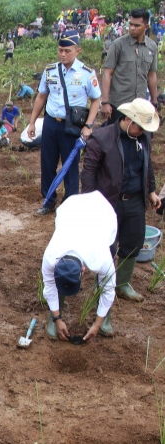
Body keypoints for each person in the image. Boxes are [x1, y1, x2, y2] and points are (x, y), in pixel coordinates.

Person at [82, 98, 162, 303]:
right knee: (107, 248)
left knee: (133, 243)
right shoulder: (101, 138)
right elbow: (89, 173)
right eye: (140, 127)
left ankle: (122, 283)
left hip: (135, 200)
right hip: (109, 202)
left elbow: (148, 164)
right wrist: (89, 202)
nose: (143, 131)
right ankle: (103, 287)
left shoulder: (143, 138)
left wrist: (151, 191)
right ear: (128, 119)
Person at [27, 30, 101, 216]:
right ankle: (48, 200)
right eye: (60, 50)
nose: (63, 54)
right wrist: (32, 122)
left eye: (67, 51)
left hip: (73, 125)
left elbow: (96, 100)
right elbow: (41, 96)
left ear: (77, 51)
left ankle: (70, 204)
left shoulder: (86, 73)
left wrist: (88, 125)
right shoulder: (50, 70)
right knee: (47, 163)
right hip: (52, 123)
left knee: (70, 165)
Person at [41, 191, 117, 342]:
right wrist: (57, 319)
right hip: (70, 208)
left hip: (102, 213)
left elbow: (108, 290)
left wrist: (96, 324)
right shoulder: (51, 256)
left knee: (106, 279)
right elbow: (49, 286)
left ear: (83, 270)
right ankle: (53, 315)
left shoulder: (100, 257)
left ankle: (105, 318)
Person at [101, 8, 159, 123]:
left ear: (146, 27)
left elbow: (152, 75)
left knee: (140, 138)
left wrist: (154, 102)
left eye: (137, 25)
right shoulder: (118, 45)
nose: (132, 28)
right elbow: (107, 73)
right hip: (119, 105)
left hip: (141, 105)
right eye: (131, 24)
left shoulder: (152, 47)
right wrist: (105, 102)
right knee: (116, 138)